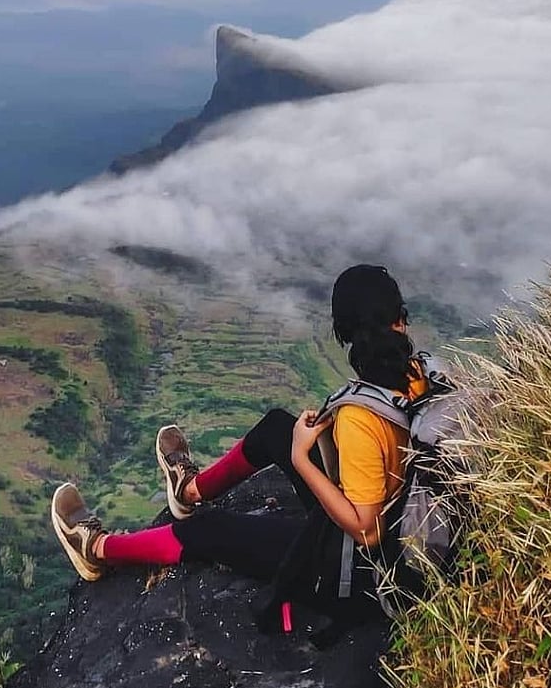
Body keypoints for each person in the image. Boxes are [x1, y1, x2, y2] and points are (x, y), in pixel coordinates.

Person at [51, 265, 428, 631]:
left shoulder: (359, 417)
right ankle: (189, 491)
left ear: (343, 332)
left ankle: (97, 549)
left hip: (363, 571)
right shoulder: (422, 373)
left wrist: (301, 458)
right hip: (401, 526)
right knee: (278, 427)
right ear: (401, 319)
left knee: (210, 529)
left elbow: (367, 531)